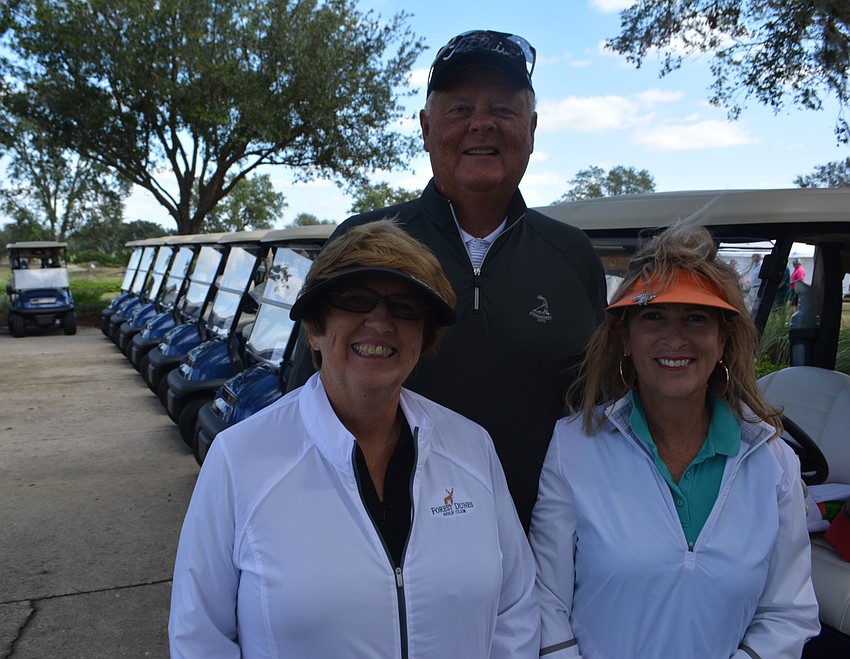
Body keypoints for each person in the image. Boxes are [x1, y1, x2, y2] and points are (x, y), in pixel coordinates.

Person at [169, 220, 540, 658]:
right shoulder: (239, 459)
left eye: (404, 307)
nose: (380, 321)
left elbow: (515, 607)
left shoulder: (471, 447)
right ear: (315, 329)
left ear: (423, 336)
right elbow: (200, 638)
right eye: (355, 300)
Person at [287, 29, 608, 531]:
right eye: (460, 110)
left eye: (503, 109)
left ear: (532, 127)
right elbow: (300, 401)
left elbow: (604, 408)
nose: (482, 124)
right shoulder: (365, 244)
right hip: (378, 544)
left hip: (539, 549)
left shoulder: (572, 254)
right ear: (425, 128)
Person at [529, 222, 819, 658]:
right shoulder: (574, 445)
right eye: (653, 317)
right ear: (625, 338)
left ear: (722, 339)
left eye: (696, 318)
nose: (674, 338)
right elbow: (546, 601)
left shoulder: (772, 460)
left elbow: (787, 613)